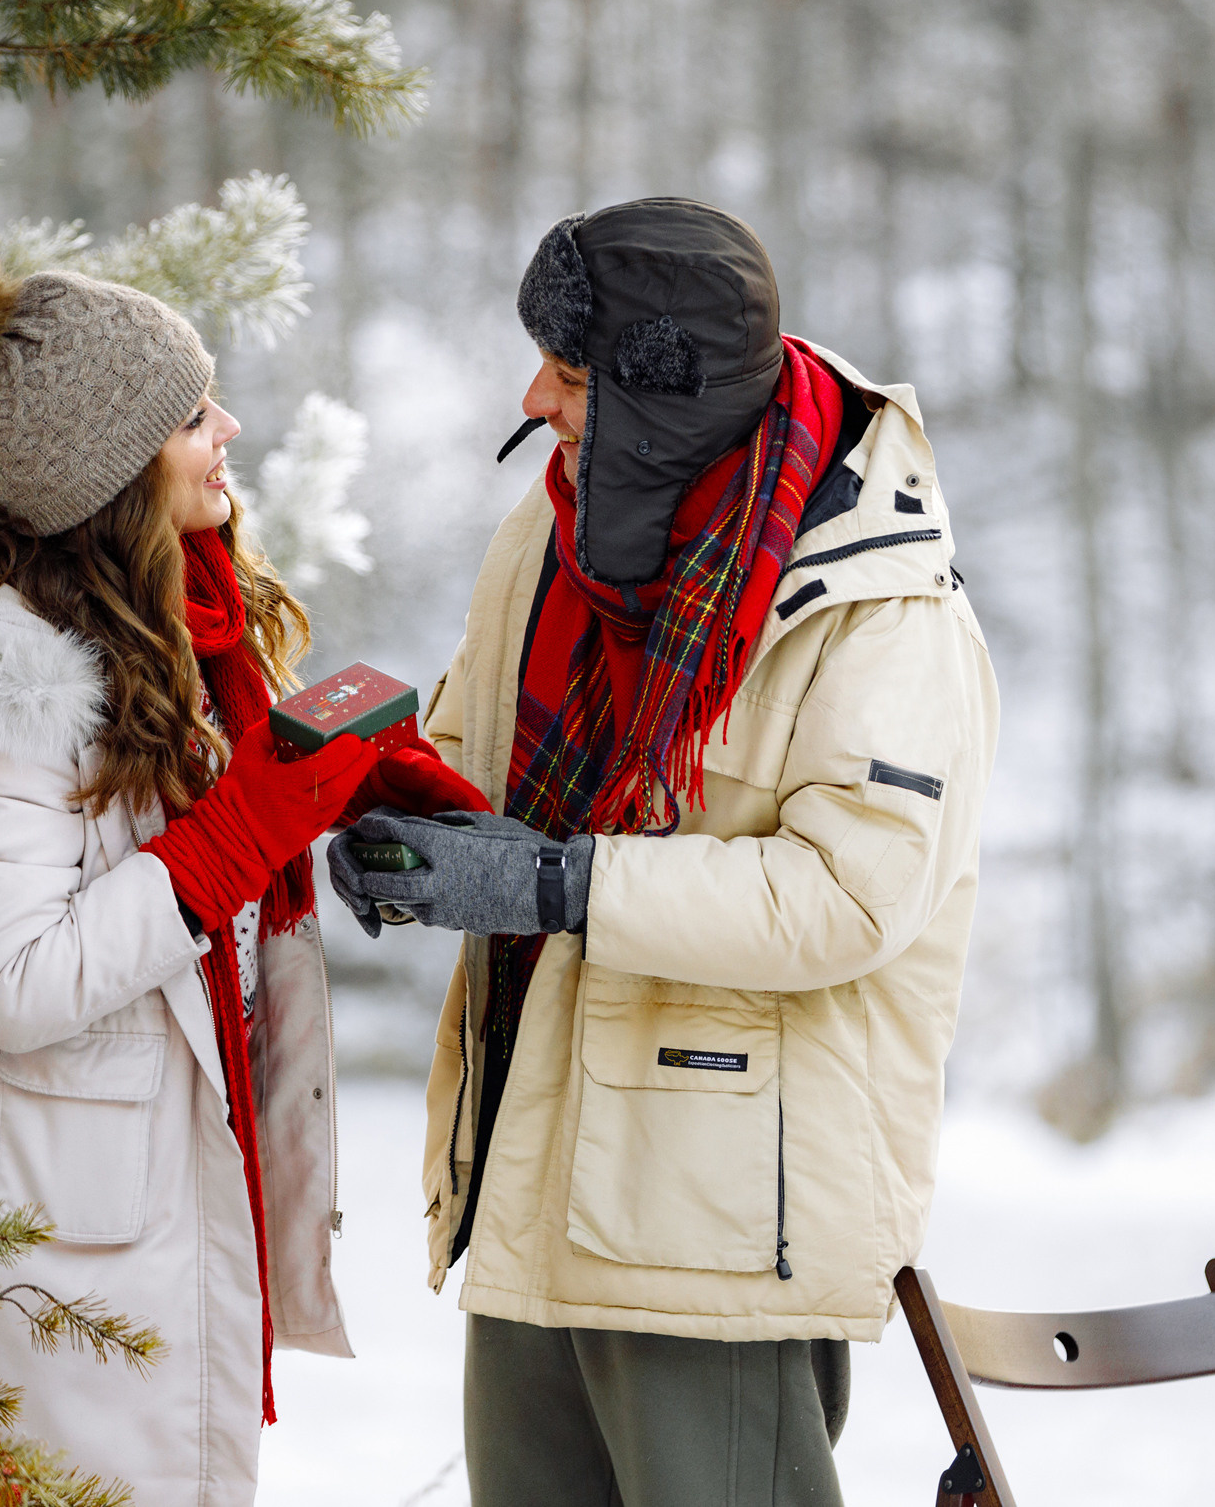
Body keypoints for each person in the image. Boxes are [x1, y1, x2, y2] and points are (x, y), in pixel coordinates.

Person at [330, 198, 1000, 1507]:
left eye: (569, 376)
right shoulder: (554, 530)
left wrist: (558, 884)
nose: (534, 400)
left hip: (718, 1231)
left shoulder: (881, 603)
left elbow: (848, 897)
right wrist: (397, 820)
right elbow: (477, 754)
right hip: (531, 1183)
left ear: (658, 401)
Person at [0, 237, 475, 1500]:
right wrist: (243, 828)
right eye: (190, 415)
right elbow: (17, 983)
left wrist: (337, 773)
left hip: (145, 1222)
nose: (227, 429)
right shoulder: (10, 678)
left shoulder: (164, 633)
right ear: (110, 471)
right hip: (58, 1267)